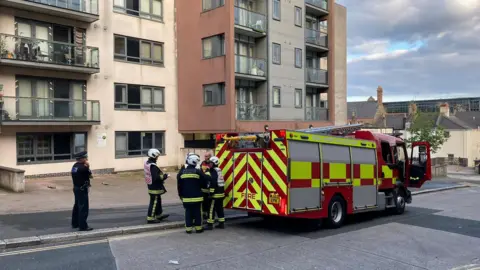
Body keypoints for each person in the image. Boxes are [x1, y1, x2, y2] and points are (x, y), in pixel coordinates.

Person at [177, 154, 211, 234]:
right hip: (197, 197)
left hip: (186, 197)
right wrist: (208, 172)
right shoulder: (198, 172)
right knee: (197, 213)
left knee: (188, 212)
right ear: (195, 162)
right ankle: (198, 228)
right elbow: (206, 180)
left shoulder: (182, 172)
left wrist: (180, 195)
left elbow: (179, 185)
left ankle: (188, 229)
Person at [145, 148, 170, 224]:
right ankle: (150, 218)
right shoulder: (153, 166)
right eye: (157, 156)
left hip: (151, 185)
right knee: (154, 202)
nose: (157, 158)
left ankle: (159, 215)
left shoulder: (147, 163)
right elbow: (156, 178)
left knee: (158, 201)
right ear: (154, 156)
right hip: (154, 187)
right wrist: (165, 176)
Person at [71, 151, 93, 231]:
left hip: (76, 188)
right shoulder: (84, 168)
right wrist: (88, 166)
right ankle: (83, 226)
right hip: (82, 189)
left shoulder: (75, 166)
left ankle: (75, 223)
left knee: (77, 206)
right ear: (82, 159)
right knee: (83, 207)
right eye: (85, 157)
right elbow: (90, 175)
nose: (86, 159)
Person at [205, 156, 226, 230]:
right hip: (221, 193)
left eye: (211, 163)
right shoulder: (219, 170)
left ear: (214, 163)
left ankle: (210, 224)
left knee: (211, 209)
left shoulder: (213, 171)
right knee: (220, 208)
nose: (209, 165)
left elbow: (213, 182)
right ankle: (221, 223)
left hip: (215, 194)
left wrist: (211, 193)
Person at [200, 151, 213, 220]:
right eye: (205, 156)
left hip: (209, 183)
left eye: (207, 156)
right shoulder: (203, 163)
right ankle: (204, 213)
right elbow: (200, 170)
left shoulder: (211, 163)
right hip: (204, 183)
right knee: (204, 201)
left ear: (210, 156)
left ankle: (208, 213)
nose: (205, 157)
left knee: (208, 202)